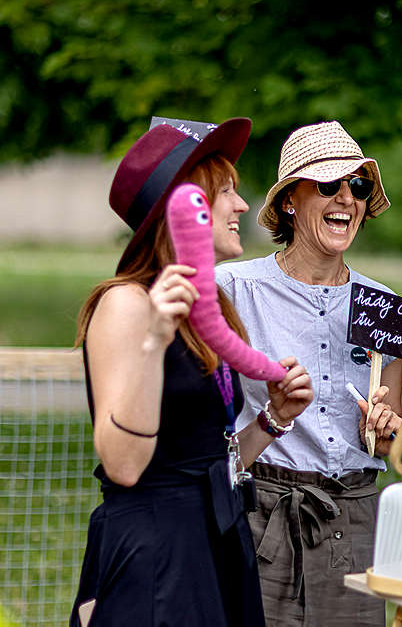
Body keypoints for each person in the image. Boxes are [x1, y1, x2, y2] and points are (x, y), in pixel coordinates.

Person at [69, 118, 314, 627]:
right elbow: (124, 466)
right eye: (225, 191)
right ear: (184, 208)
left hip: (217, 537)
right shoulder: (126, 304)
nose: (242, 206)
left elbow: (207, 460)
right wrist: (153, 340)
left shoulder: (211, 311)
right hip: (156, 554)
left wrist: (273, 420)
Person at [216, 121, 402, 627]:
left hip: (356, 519)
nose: (348, 198)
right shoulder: (232, 289)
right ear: (291, 201)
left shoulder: (383, 305)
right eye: (329, 185)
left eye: (359, 187)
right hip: (263, 516)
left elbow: (388, 440)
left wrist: (386, 432)